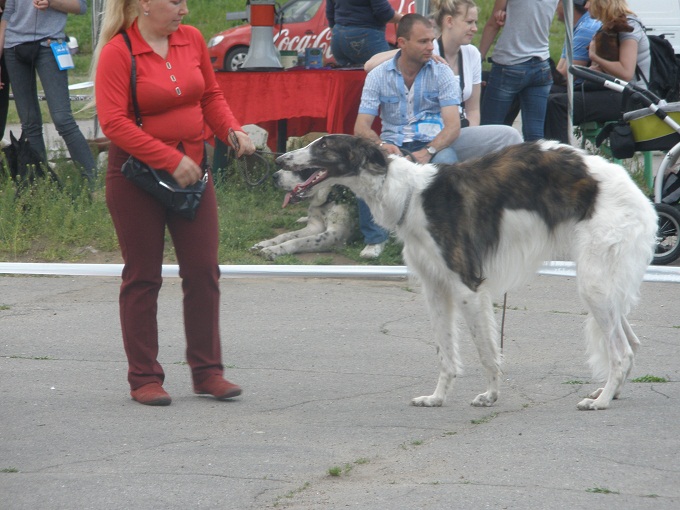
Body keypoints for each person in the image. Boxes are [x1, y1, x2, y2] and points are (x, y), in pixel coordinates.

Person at [92, 0, 255, 406]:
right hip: (136, 177)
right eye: (176, 1)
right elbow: (113, 122)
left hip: (192, 171)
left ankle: (208, 372)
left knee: (203, 271)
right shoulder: (118, 52)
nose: (184, 10)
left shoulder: (192, 39)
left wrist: (231, 130)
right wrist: (169, 159)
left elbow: (210, 96)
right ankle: (144, 378)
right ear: (145, 3)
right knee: (142, 276)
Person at [365, 0, 523, 162]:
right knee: (444, 156)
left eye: (475, 22)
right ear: (449, 22)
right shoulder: (427, 48)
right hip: (430, 132)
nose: (475, 28)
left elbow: (473, 110)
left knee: (510, 135)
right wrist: (405, 50)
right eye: (469, 22)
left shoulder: (472, 54)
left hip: (456, 131)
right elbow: (369, 66)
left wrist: (472, 152)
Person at [326, 0, 403, 258]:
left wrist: (340, 30)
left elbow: (330, 13)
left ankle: (375, 237)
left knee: (357, 90)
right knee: (389, 73)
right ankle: (385, 232)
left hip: (339, 37)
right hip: (367, 35)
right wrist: (403, 19)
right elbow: (383, 11)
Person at [0, 0, 96, 181]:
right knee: (29, 123)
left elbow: (81, 7)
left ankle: (92, 181)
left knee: (62, 119)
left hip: (50, 44)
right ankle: (40, 183)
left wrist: (51, 3)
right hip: (13, 46)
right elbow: (9, 11)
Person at [355, 14, 462, 169]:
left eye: (432, 40)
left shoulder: (442, 72)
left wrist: (428, 151)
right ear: (402, 43)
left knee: (448, 163)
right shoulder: (378, 75)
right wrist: (381, 145)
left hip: (432, 144)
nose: (431, 47)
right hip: (392, 145)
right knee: (368, 171)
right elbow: (361, 127)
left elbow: (453, 126)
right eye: (423, 41)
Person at [544, 0, 650, 143]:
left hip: (631, 98)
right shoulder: (607, 25)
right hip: (613, 91)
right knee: (545, 94)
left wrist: (594, 57)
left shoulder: (628, 26)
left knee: (557, 104)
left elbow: (626, 73)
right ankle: (542, 146)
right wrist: (595, 69)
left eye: (589, 1)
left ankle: (560, 153)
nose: (586, 6)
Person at [478, 0, 559, 141]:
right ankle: (536, 156)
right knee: (535, 136)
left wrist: (478, 59)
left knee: (489, 130)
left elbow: (493, 24)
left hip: (509, 62)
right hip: (541, 64)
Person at [326, 0, 403, 67]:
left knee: (347, 77)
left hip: (338, 37)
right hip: (365, 35)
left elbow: (330, 14)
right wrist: (405, 19)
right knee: (385, 72)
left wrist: (339, 34)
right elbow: (385, 14)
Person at [553, 0, 601, 90]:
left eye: (557, 2)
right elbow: (560, 70)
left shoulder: (586, 29)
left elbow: (566, 78)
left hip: (583, 90)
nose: (554, 7)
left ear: (568, 4)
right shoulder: (578, 26)